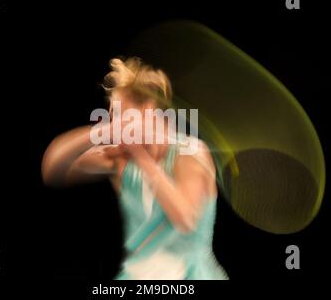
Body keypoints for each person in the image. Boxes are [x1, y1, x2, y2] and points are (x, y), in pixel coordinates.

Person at [41, 57, 228, 279]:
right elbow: (53, 170)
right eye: (113, 117)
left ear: (149, 110)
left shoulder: (190, 152)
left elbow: (185, 219)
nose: (117, 125)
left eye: (122, 116)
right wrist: (101, 132)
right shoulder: (117, 159)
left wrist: (142, 157)